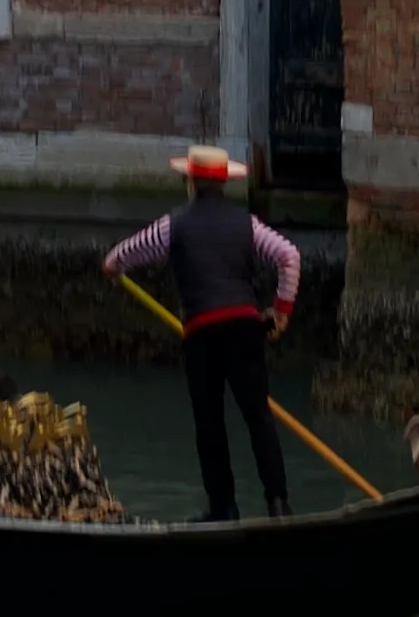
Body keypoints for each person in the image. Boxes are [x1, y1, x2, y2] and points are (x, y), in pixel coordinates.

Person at [105, 150, 303, 522]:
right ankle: (278, 503)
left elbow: (123, 255)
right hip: (245, 327)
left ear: (191, 181)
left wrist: (114, 268)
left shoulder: (172, 226)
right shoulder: (248, 225)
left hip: (202, 332)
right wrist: (281, 312)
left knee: (210, 422)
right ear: (224, 182)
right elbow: (289, 256)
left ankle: (223, 508)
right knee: (258, 416)